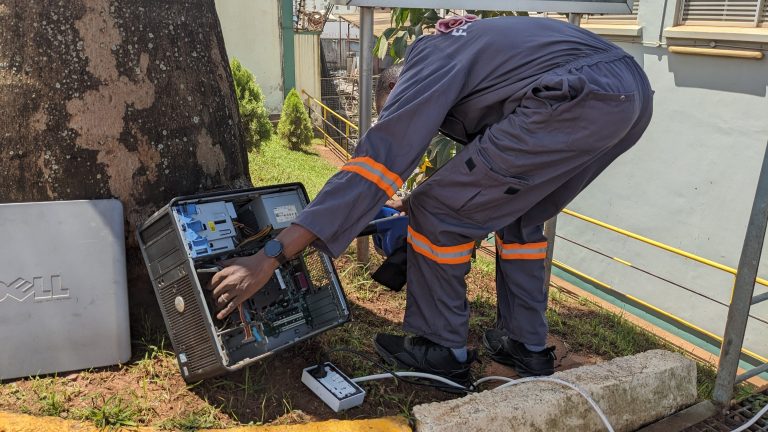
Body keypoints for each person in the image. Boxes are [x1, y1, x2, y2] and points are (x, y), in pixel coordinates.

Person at [210, 15, 653, 383]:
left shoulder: (426, 60)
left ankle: (441, 350)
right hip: (628, 93)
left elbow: (378, 162)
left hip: (574, 94)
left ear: (397, 89)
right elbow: (491, 158)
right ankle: (527, 345)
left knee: (436, 212)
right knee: (520, 217)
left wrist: (272, 253)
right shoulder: (463, 48)